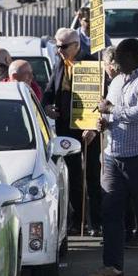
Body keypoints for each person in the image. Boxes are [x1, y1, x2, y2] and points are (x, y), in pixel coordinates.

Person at [91, 39, 138, 276]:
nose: (116, 63)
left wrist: (111, 111)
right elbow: (112, 113)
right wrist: (104, 122)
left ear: (136, 56)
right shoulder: (116, 81)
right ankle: (112, 266)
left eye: (121, 58)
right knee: (111, 212)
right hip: (114, 156)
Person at [42, 28, 102, 236]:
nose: (59, 50)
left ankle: (96, 221)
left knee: (93, 174)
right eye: (57, 46)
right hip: (66, 127)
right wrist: (47, 106)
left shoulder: (92, 63)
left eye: (64, 46)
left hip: (88, 129)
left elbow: (99, 99)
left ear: (77, 45)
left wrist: (93, 126)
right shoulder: (60, 62)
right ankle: (78, 221)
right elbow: (49, 90)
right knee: (73, 175)